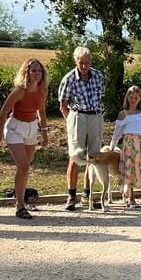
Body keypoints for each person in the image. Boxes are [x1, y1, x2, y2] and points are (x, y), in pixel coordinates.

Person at [0, 59, 49, 220]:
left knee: (25, 168)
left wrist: (45, 134)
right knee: (23, 166)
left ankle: (20, 199)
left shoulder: (43, 89)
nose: (37, 74)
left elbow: (42, 112)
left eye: (40, 71)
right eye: (34, 71)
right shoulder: (19, 91)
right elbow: (4, 111)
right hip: (15, 128)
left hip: (32, 127)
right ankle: (20, 206)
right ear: (27, 72)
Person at [58, 46, 105, 210]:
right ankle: (71, 196)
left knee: (93, 156)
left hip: (95, 115)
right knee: (76, 156)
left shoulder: (98, 76)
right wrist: (71, 122)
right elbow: (63, 105)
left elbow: (101, 97)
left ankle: (88, 194)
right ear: (76, 61)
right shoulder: (69, 78)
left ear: (91, 61)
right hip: (77, 114)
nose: (84, 66)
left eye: (87, 62)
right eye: (81, 63)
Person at [110, 85, 141, 209]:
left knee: (138, 170)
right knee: (128, 170)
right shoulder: (123, 114)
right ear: (127, 98)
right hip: (129, 147)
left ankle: (134, 194)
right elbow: (117, 133)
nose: (133, 99)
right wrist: (112, 147)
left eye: (136, 97)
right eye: (131, 96)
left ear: (140, 98)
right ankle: (130, 197)